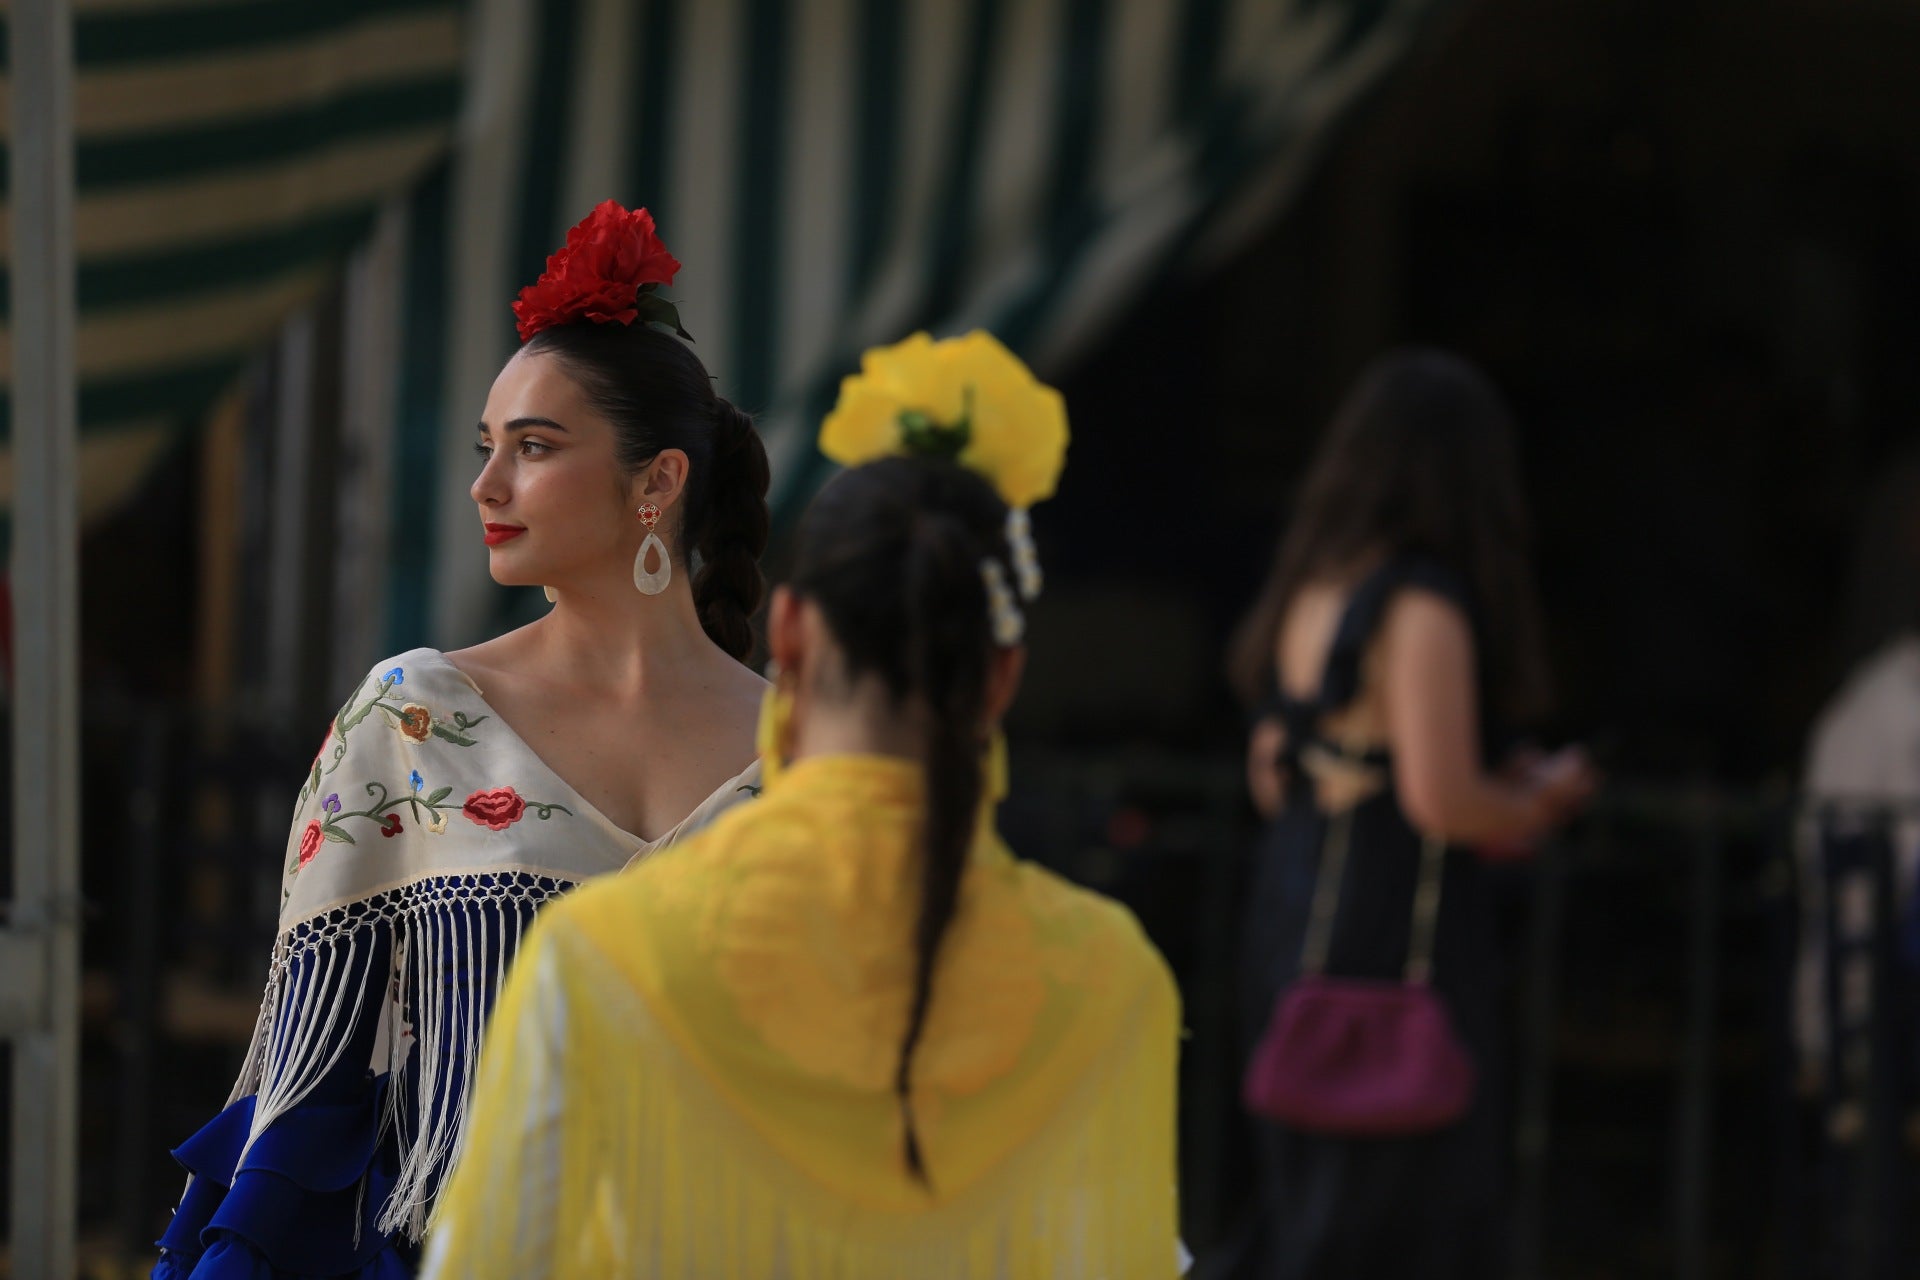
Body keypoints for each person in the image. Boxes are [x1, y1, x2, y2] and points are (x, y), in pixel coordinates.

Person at [421, 331, 1185, 1279]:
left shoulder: (602, 957)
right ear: (1001, 679)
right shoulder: (1110, 976)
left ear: (788, 632)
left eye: (532, 445)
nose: (488, 484)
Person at [153, 201, 771, 1278]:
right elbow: (308, 1085)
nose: (487, 485)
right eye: (488, 448)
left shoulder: (812, 759)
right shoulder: (413, 720)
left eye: (534, 448)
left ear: (658, 481)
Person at [1225, 348, 1595, 1278]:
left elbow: (1270, 773)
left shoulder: (1312, 585)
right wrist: (1538, 797)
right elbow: (1440, 797)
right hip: (1395, 931)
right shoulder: (1421, 604)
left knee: (1310, 1199)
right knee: (1404, 1204)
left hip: (1292, 912)